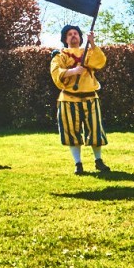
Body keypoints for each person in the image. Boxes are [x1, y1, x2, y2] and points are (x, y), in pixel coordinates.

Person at [50, 25, 110, 175]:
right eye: (69, 34)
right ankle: (78, 164)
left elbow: (100, 62)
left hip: (90, 97)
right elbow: (56, 72)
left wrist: (93, 43)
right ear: (65, 38)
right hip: (69, 98)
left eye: (75, 33)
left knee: (95, 130)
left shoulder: (88, 52)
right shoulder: (60, 56)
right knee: (72, 132)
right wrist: (73, 71)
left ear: (80, 37)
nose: (73, 36)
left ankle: (98, 161)